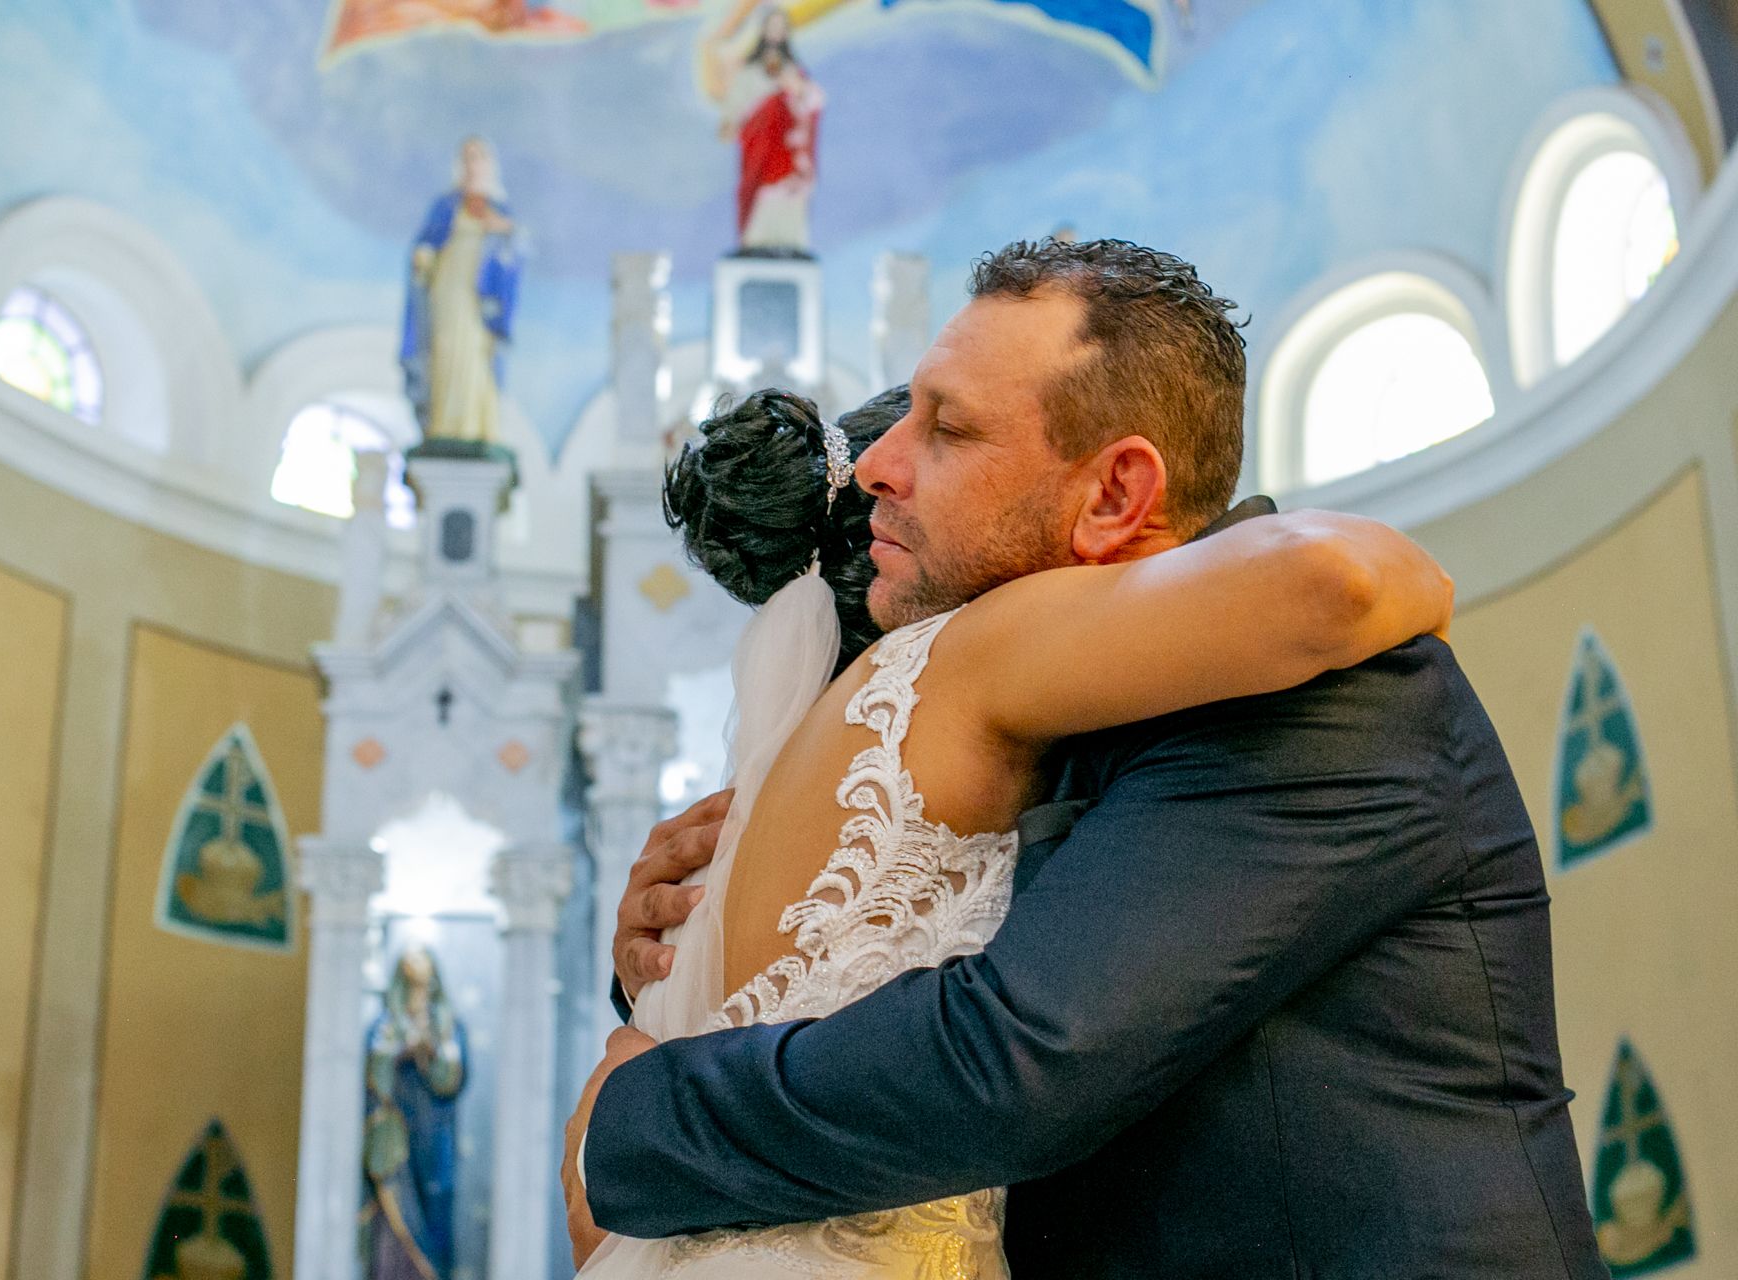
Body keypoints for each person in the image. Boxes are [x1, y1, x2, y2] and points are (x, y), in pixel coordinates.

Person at [569, 239, 1608, 1278]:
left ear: (1115, 494)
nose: (880, 466)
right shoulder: (1014, 717)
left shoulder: (1327, 693)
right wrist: (678, 972)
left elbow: (1021, 1057)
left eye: (949, 427)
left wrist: (636, 1109)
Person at [401, 136, 522, 447]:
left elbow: (514, 254)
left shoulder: (498, 210)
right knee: (445, 348)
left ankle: (473, 426)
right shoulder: (446, 206)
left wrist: (505, 233)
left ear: (488, 165)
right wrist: (423, 257)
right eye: (467, 157)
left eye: (478, 157)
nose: (472, 164)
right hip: (448, 287)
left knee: (475, 353)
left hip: (481, 297)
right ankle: (443, 423)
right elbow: (426, 243)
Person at [362, 947, 467, 1280]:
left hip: (434, 1133)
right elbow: (374, 1074)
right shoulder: (386, 1024)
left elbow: (451, 1079)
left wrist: (431, 1052)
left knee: (435, 1206)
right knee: (394, 1210)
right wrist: (398, 1053)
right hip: (393, 1135)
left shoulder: (447, 1024)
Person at [702, 2, 824, 255]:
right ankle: (756, 240)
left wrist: (797, 92)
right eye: (771, 26)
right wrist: (731, 122)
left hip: (786, 149)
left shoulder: (794, 72)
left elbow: (811, 102)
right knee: (760, 194)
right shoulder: (749, 72)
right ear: (762, 30)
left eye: (781, 27)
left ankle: (789, 241)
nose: (775, 32)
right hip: (760, 147)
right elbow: (737, 106)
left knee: (788, 193)